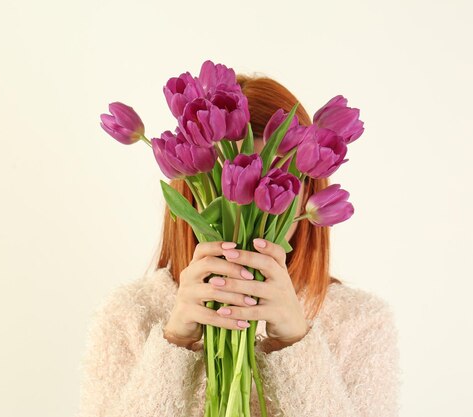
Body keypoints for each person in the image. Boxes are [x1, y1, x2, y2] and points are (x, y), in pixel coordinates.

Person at [77, 75, 401, 417]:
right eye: (226, 182)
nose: (250, 210)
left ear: (308, 190)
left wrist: (295, 344)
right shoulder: (130, 313)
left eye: (276, 178)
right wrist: (174, 343)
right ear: (191, 188)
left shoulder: (358, 321)